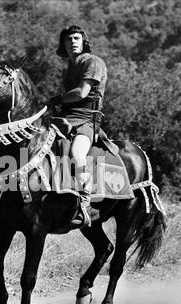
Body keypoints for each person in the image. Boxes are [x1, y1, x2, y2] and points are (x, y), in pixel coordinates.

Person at [48, 25, 108, 227]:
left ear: (83, 41)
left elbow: (82, 93)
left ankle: (85, 203)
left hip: (87, 119)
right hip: (66, 118)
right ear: (63, 44)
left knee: (76, 154)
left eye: (76, 38)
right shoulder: (69, 69)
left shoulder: (93, 62)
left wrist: (58, 99)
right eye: (68, 39)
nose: (72, 42)